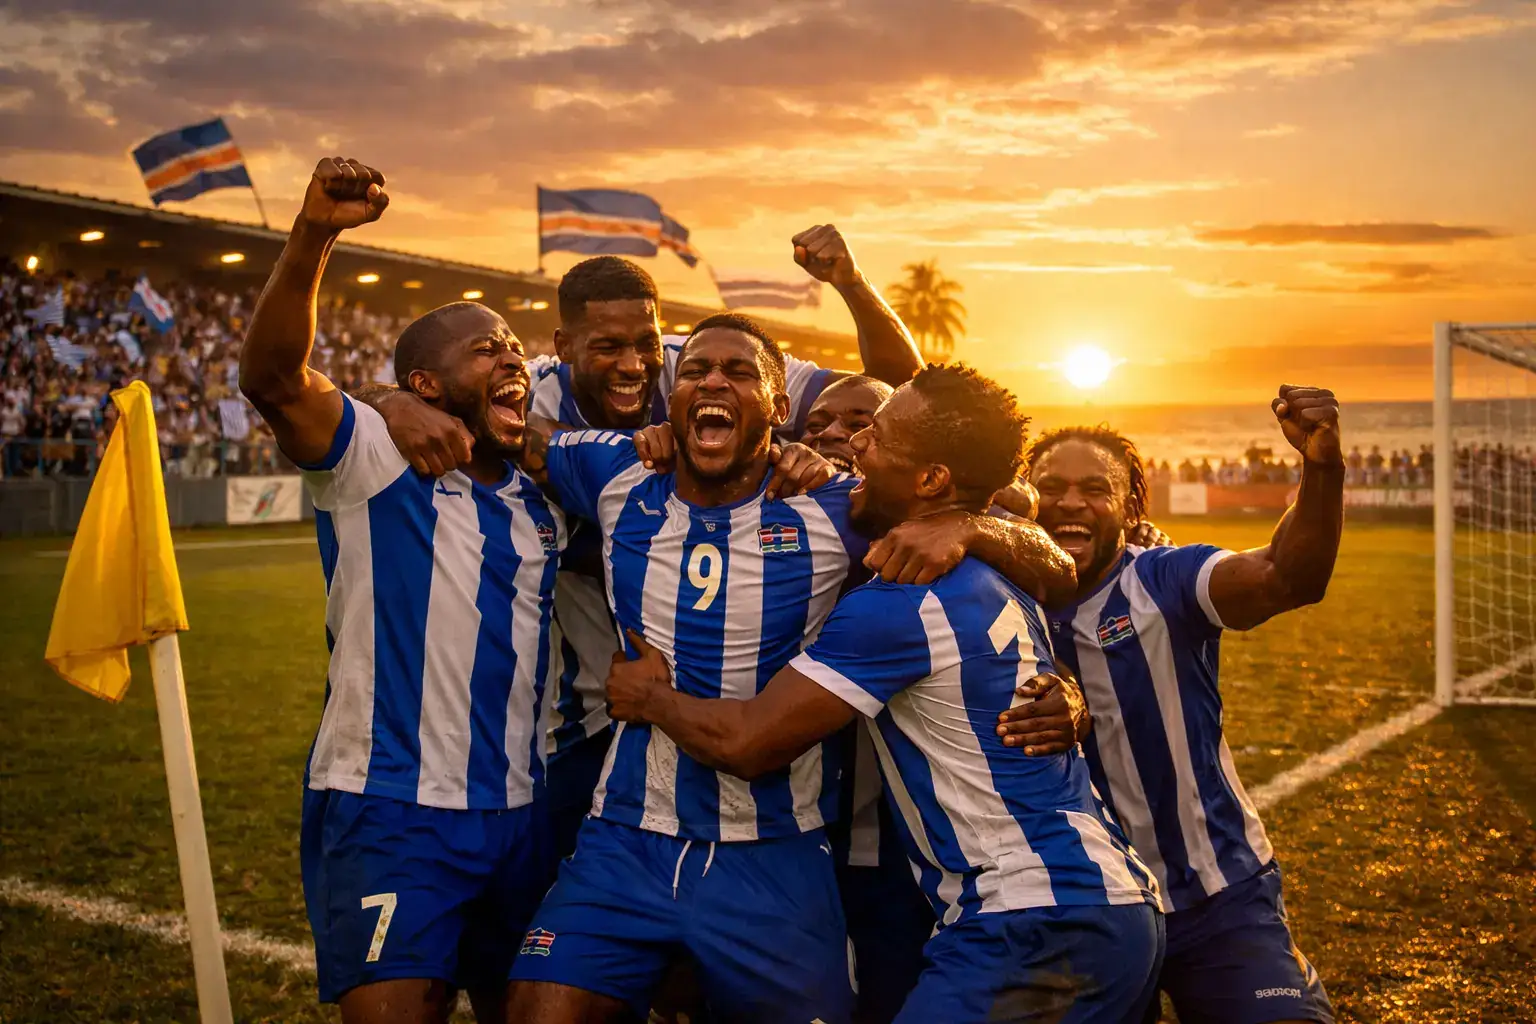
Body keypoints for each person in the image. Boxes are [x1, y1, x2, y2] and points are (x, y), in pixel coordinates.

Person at [503, 319, 1077, 1023]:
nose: (713, 380)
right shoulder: (614, 470)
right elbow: (499, 426)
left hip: (776, 851)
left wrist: (974, 527)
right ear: (672, 402)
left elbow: (1041, 543)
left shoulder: (840, 505)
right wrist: (397, 403)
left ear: (780, 411)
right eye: (696, 371)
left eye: (740, 372)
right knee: (538, 1009)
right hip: (623, 837)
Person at [603, 364, 1164, 1023]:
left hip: (1031, 918)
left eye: (878, 433)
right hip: (1102, 899)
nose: (857, 446)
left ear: (931, 481)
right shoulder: (989, 566)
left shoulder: (901, 605)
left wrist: (651, 700)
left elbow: (749, 742)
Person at [368, 227, 923, 862]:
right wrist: (385, 398)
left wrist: (849, 287)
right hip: (585, 706)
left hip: (726, 711)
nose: (634, 366)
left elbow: (895, 402)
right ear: (564, 347)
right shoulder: (530, 392)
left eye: (647, 345)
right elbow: (385, 397)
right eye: (606, 348)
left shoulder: (706, 365)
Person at [239, 157, 562, 1023]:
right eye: (486, 347)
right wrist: (315, 234)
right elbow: (273, 380)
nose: (513, 359)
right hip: (391, 809)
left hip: (525, 815)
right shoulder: (374, 459)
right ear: (425, 384)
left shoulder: (546, 491)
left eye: (518, 350)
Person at [1007, 384, 1343, 1024]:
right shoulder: (991, 597)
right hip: (1079, 909)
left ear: (1133, 504)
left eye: (1095, 490)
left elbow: (1287, 577)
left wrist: (1321, 466)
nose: (1070, 503)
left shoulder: (1164, 579)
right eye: (1050, 487)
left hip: (1215, 898)